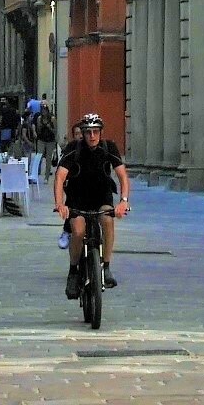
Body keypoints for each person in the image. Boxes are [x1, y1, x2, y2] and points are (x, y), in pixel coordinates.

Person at [54, 113, 129, 298]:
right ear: (83, 133)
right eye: (88, 132)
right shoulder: (74, 148)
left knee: (108, 220)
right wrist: (60, 204)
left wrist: (123, 202)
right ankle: (73, 271)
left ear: (100, 132)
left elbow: (122, 176)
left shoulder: (108, 147)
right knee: (78, 232)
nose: (92, 136)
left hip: (101, 197)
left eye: (96, 132)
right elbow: (60, 177)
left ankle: (106, 267)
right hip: (77, 199)